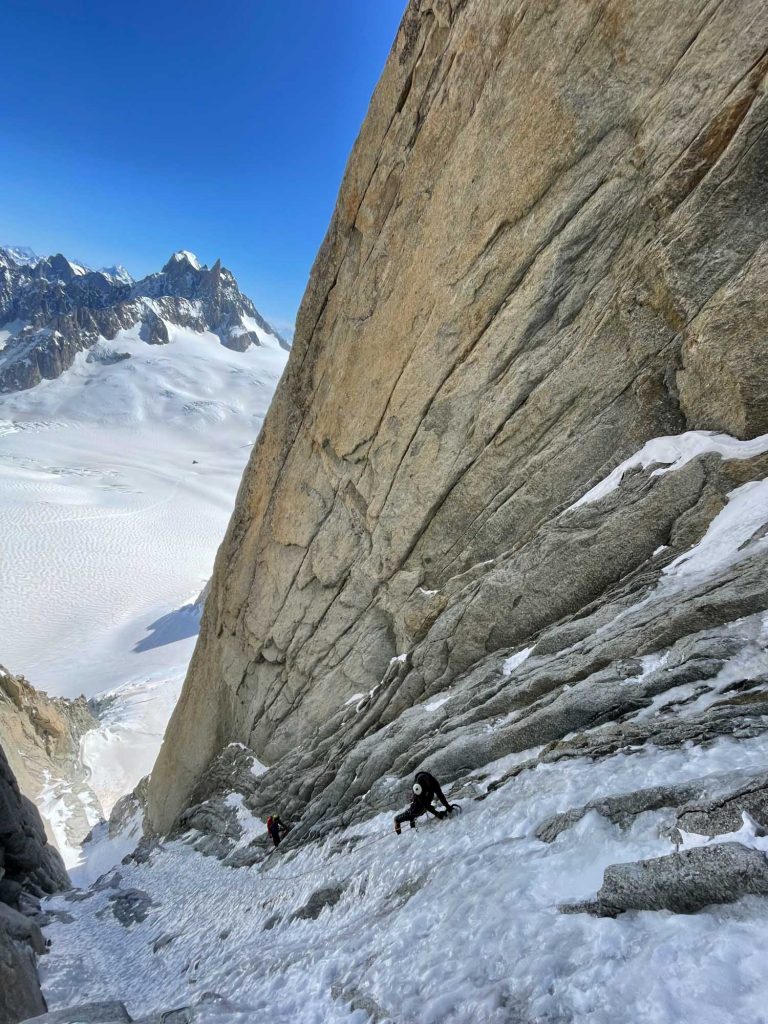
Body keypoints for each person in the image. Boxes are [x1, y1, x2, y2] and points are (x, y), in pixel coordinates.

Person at [393, 770, 454, 834]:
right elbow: (424, 804)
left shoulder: (433, 783)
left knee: (422, 808)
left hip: (427, 790)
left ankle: (412, 820)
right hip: (419, 792)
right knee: (417, 809)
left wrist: (447, 806)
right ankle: (397, 819)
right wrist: (437, 814)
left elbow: (440, 795)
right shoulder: (417, 787)